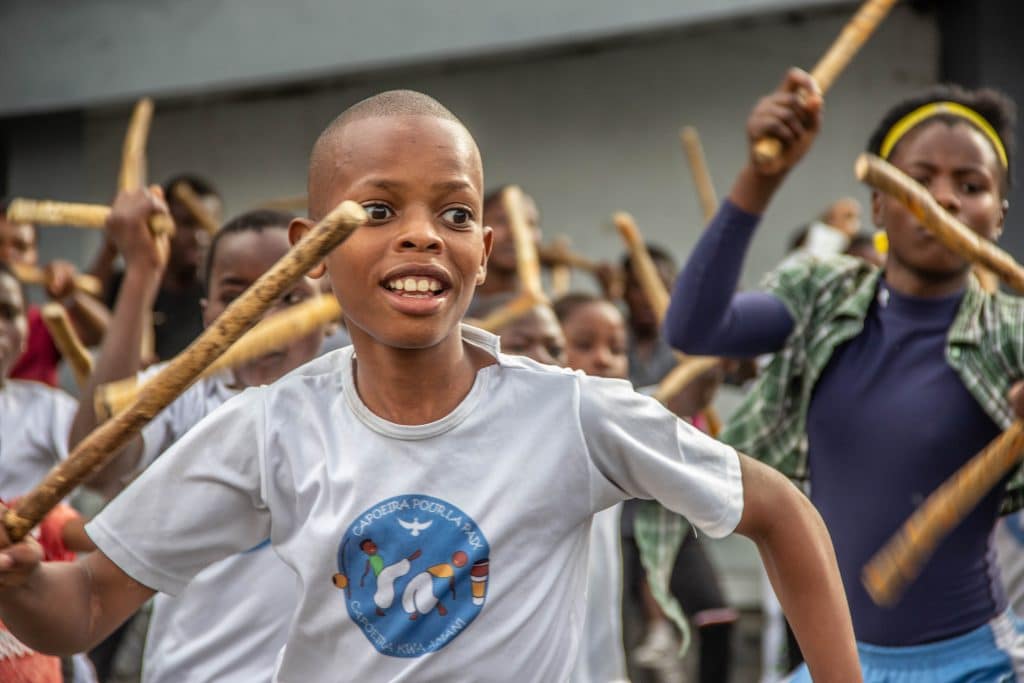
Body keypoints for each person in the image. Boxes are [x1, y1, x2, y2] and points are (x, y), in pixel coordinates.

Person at [0, 89, 859, 682]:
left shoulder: (570, 414)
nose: (421, 237)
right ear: (313, 249)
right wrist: (20, 582)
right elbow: (85, 604)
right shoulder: (270, 429)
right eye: (378, 212)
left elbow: (782, 512)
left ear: (484, 249)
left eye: (453, 214)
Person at [666, 69, 1024, 679]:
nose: (945, 199)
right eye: (919, 179)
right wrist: (762, 176)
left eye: (971, 184)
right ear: (878, 205)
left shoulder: (1012, 332)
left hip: (977, 664)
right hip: (837, 667)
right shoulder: (822, 298)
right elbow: (697, 327)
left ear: (997, 216)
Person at [70, 203, 326, 683]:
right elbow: (91, 462)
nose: (263, 314)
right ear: (207, 314)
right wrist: (142, 275)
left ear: (331, 311)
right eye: (237, 295)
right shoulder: (186, 393)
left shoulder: (359, 398)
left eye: (291, 297)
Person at [91, 174, 223, 361]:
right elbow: (83, 326)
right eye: (187, 223)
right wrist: (110, 247)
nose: (200, 237)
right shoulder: (127, 283)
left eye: (207, 224)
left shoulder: (218, 291)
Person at [1, 200, 107, 386]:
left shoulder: (46, 323)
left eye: (20, 246)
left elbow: (108, 338)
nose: (7, 254)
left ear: (35, 256)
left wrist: (70, 297)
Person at [465, 185, 541, 318]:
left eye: (529, 223)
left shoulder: (543, 312)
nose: (516, 234)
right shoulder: (454, 311)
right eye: (502, 221)